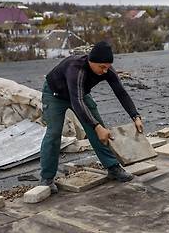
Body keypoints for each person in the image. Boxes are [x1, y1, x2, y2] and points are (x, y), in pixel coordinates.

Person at [39, 41, 143, 193]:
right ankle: (47, 178)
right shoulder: (76, 69)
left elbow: (120, 92)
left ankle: (113, 167)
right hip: (55, 95)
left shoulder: (106, 69)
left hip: (80, 94)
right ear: (91, 61)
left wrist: (135, 116)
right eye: (102, 67)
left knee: (99, 129)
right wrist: (97, 127)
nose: (105, 71)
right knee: (54, 133)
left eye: (108, 67)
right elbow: (77, 102)